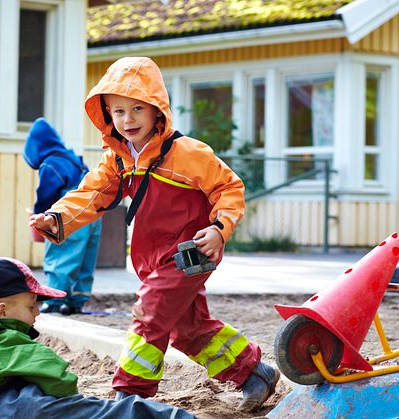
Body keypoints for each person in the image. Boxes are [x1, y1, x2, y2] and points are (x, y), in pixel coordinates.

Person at [29, 56, 279, 412]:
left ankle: (128, 395)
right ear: (107, 115)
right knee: (187, 328)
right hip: (150, 255)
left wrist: (220, 230)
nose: (127, 120)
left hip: (191, 253)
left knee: (150, 313)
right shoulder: (117, 159)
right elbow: (91, 195)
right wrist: (57, 218)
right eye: (118, 111)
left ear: (157, 111)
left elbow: (229, 188)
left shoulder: (188, 153)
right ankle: (254, 372)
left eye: (137, 109)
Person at [0, 256, 194, 418]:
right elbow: (59, 378)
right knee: (104, 413)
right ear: (3, 311)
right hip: (29, 408)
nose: (37, 313)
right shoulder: (9, 342)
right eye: (32, 306)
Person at [23, 118, 102, 315]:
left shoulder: (50, 164)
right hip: (93, 212)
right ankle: (77, 300)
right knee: (85, 257)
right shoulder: (73, 158)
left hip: (69, 213)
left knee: (61, 254)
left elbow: (46, 196)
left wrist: (40, 217)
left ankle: (55, 300)